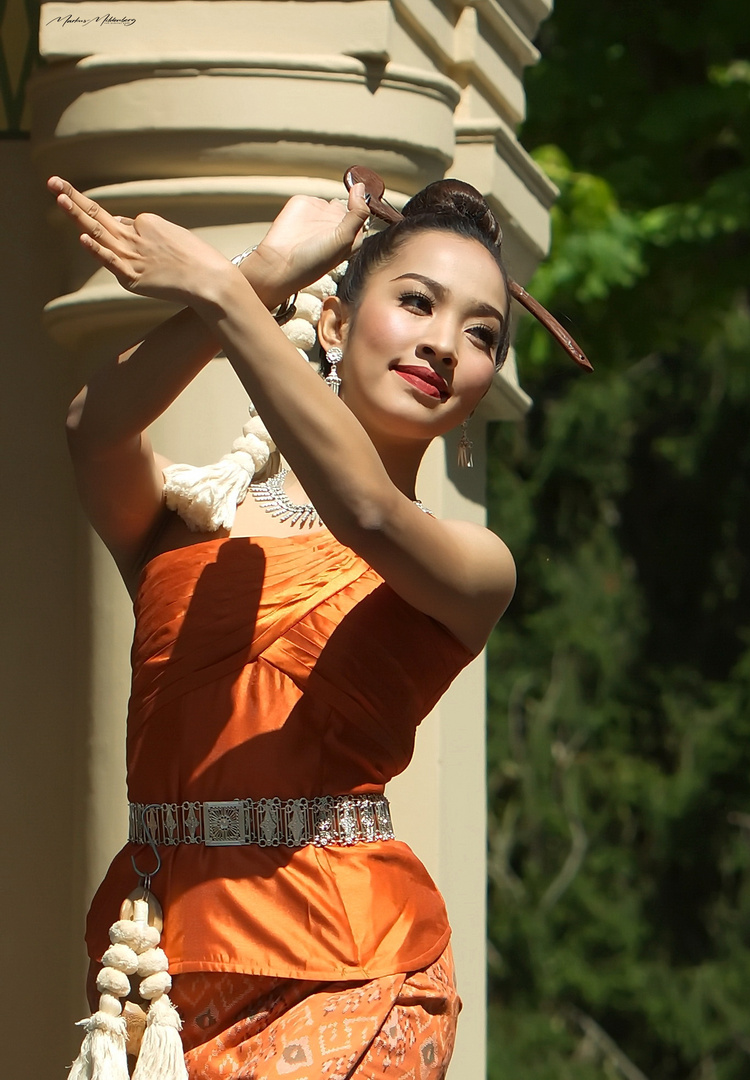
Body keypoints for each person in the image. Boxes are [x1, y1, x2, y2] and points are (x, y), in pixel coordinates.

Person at [54, 171, 523, 1078]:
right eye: (418, 302)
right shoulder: (180, 532)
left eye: (480, 334)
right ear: (336, 326)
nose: (444, 343)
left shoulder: (470, 566)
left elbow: (368, 513)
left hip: (355, 968)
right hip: (157, 969)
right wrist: (262, 275)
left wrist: (224, 296)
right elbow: (93, 429)